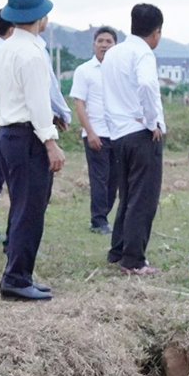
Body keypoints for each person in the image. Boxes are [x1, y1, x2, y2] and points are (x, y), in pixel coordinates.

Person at [0, 11, 73, 243]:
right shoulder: (28, 52)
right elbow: (40, 96)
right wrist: (54, 128)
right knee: (23, 193)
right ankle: (3, 238)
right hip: (20, 125)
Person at [0, 0, 64, 301]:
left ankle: (19, 272)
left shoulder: (4, 47)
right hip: (27, 136)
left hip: (6, 134)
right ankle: (17, 278)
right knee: (30, 209)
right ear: (40, 16)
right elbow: (37, 103)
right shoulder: (33, 53)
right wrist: (50, 142)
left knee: (20, 206)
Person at [102, 4, 166, 275]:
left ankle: (118, 251)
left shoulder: (113, 53)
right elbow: (148, 85)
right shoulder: (143, 53)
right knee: (143, 198)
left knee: (126, 195)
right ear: (156, 31)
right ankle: (134, 260)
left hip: (117, 134)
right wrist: (152, 122)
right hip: (141, 134)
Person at [68, 26, 118, 234]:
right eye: (101, 41)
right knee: (99, 178)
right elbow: (79, 103)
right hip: (95, 132)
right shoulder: (84, 71)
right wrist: (90, 132)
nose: (104, 45)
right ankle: (98, 221)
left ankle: (103, 216)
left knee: (114, 180)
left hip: (117, 132)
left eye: (109, 41)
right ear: (94, 44)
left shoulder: (119, 70)